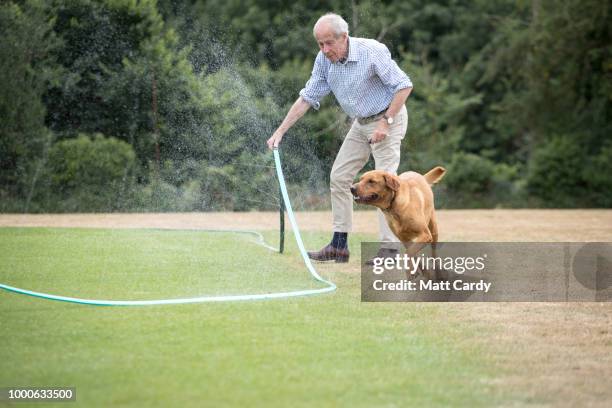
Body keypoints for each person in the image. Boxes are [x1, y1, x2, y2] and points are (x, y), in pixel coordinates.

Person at [267, 12, 413, 263]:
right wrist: (280, 131)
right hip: (361, 123)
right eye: (319, 44)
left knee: (387, 183)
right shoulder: (323, 61)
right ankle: (339, 246)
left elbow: (404, 85)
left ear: (344, 37)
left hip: (389, 117)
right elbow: (307, 98)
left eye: (329, 43)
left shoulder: (371, 51)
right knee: (339, 177)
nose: (324, 50)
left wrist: (386, 122)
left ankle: (390, 250)